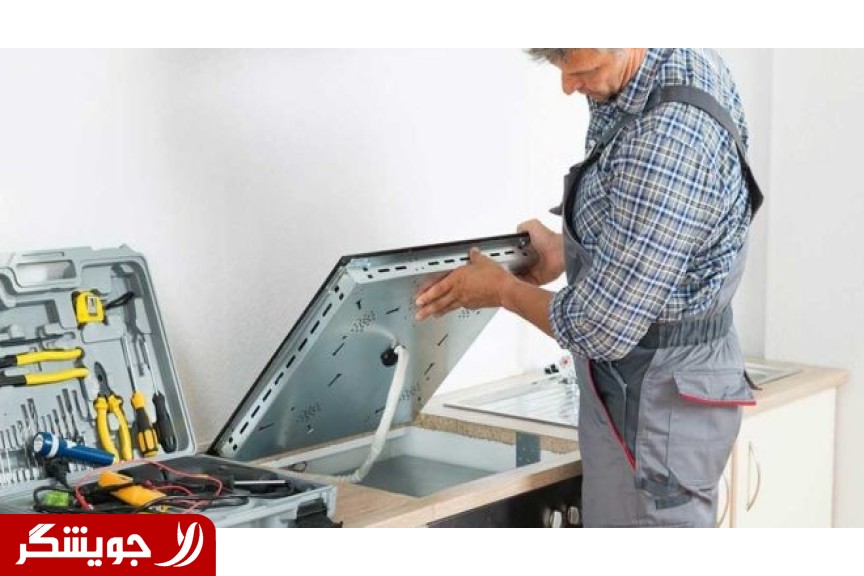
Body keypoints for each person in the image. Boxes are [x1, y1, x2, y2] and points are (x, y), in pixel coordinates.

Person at [414, 49, 763, 527]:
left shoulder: (669, 138)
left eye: (584, 71)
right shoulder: (674, 62)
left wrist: (501, 290)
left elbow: (601, 327)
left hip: (653, 409)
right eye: (560, 68)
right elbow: (670, 231)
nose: (567, 86)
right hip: (663, 396)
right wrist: (565, 249)